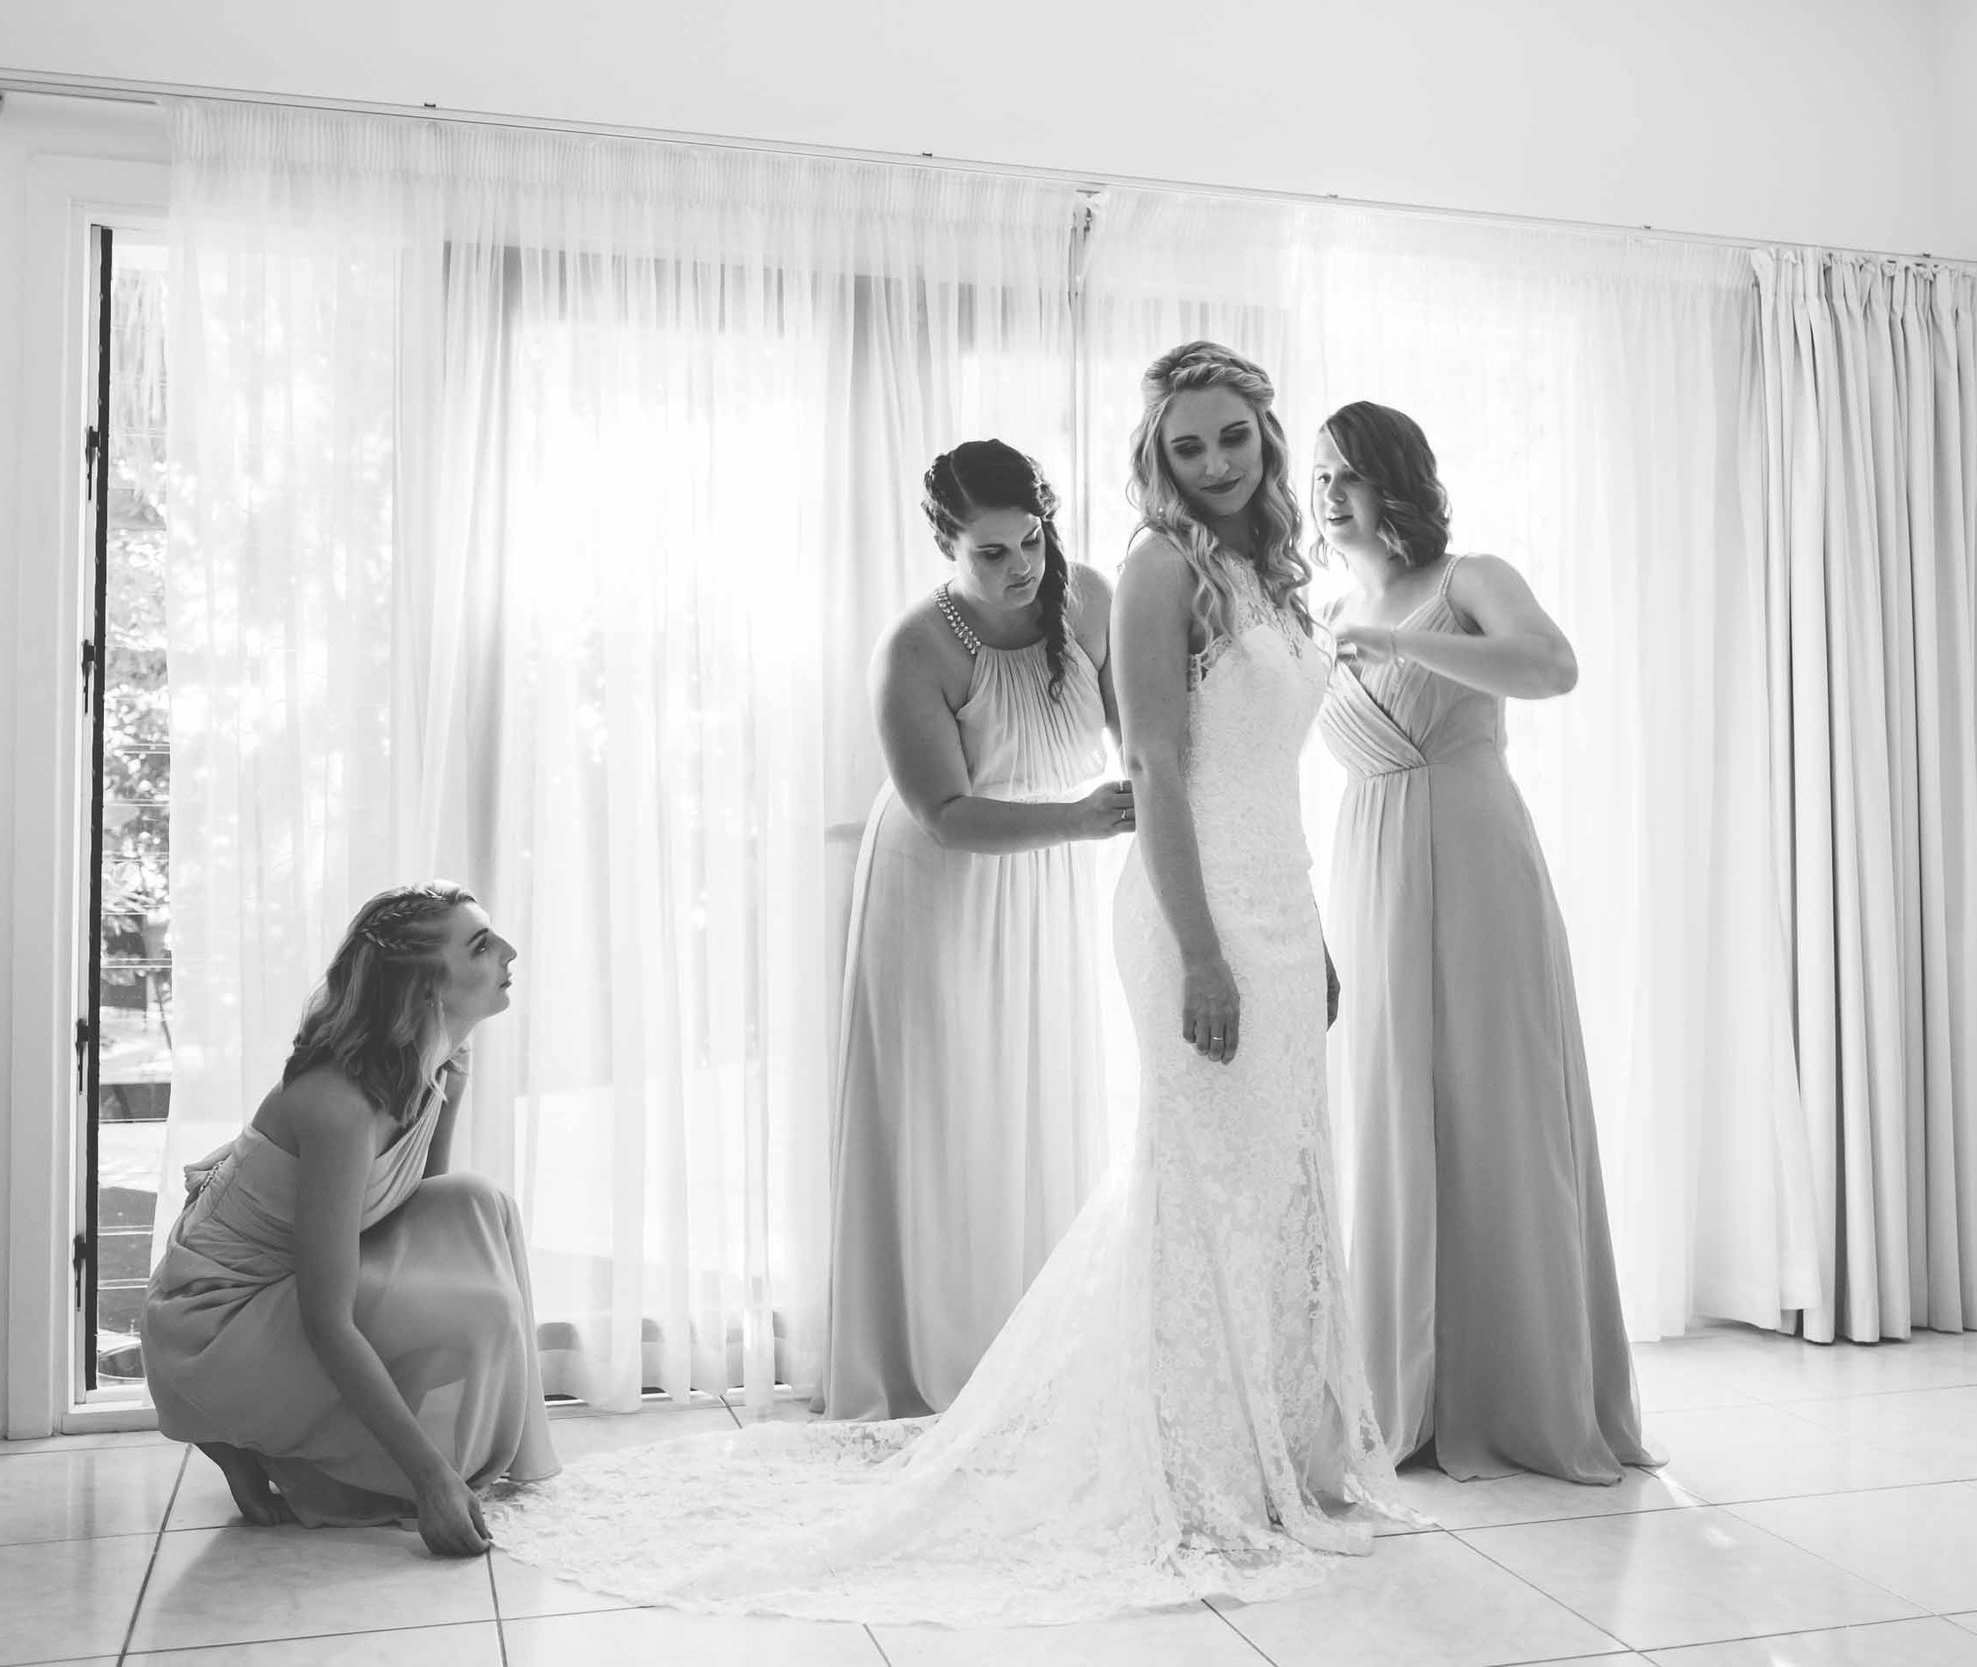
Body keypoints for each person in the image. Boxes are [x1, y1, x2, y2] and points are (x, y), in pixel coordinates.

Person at [484, 348, 1411, 1625]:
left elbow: (1258, 771)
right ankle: (1191, 1459)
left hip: (1271, 900)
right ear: (1156, 458)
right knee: (1198, 1184)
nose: (1209, 465)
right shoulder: (1150, 573)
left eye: (1231, 441)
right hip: (1170, 903)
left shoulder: (1256, 574)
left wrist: (1304, 933)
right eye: (1185, 446)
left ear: (1264, 438)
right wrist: (1199, 945)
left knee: (1279, 1178)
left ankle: (1283, 1452)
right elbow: (1151, 762)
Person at [1312, 400, 1654, 1484]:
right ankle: (1399, 1390)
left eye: (1349, 473)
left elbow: (1551, 666)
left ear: (1395, 480)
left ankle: (1519, 1390)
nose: (1328, 494)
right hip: (1367, 861)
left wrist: (1398, 637)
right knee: (1388, 1109)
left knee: (1494, 1100)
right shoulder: (1323, 606)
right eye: (1317, 475)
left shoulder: (1466, 578)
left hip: (1472, 853)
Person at [819, 439, 1133, 1422]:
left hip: (1045, 884)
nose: (1018, 570)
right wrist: (1084, 819)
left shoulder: (1089, 599)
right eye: (990, 553)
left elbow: (1141, 735)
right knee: (943, 1114)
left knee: (1036, 1094)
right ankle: (927, 1361)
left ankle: (1033, 1348)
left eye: (1029, 542)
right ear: (947, 547)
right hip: (942, 882)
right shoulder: (917, 645)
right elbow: (946, 810)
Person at [141, 882, 560, 1556]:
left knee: (482, 1207)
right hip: (211, 1326)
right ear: (426, 988)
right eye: (481, 944)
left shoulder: (441, 1061)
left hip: (274, 1294)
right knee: (473, 1306)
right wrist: (428, 1477)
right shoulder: (338, 1104)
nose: (509, 950)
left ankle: (292, 1443)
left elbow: (419, 1206)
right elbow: (326, 1318)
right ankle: (242, 1430)